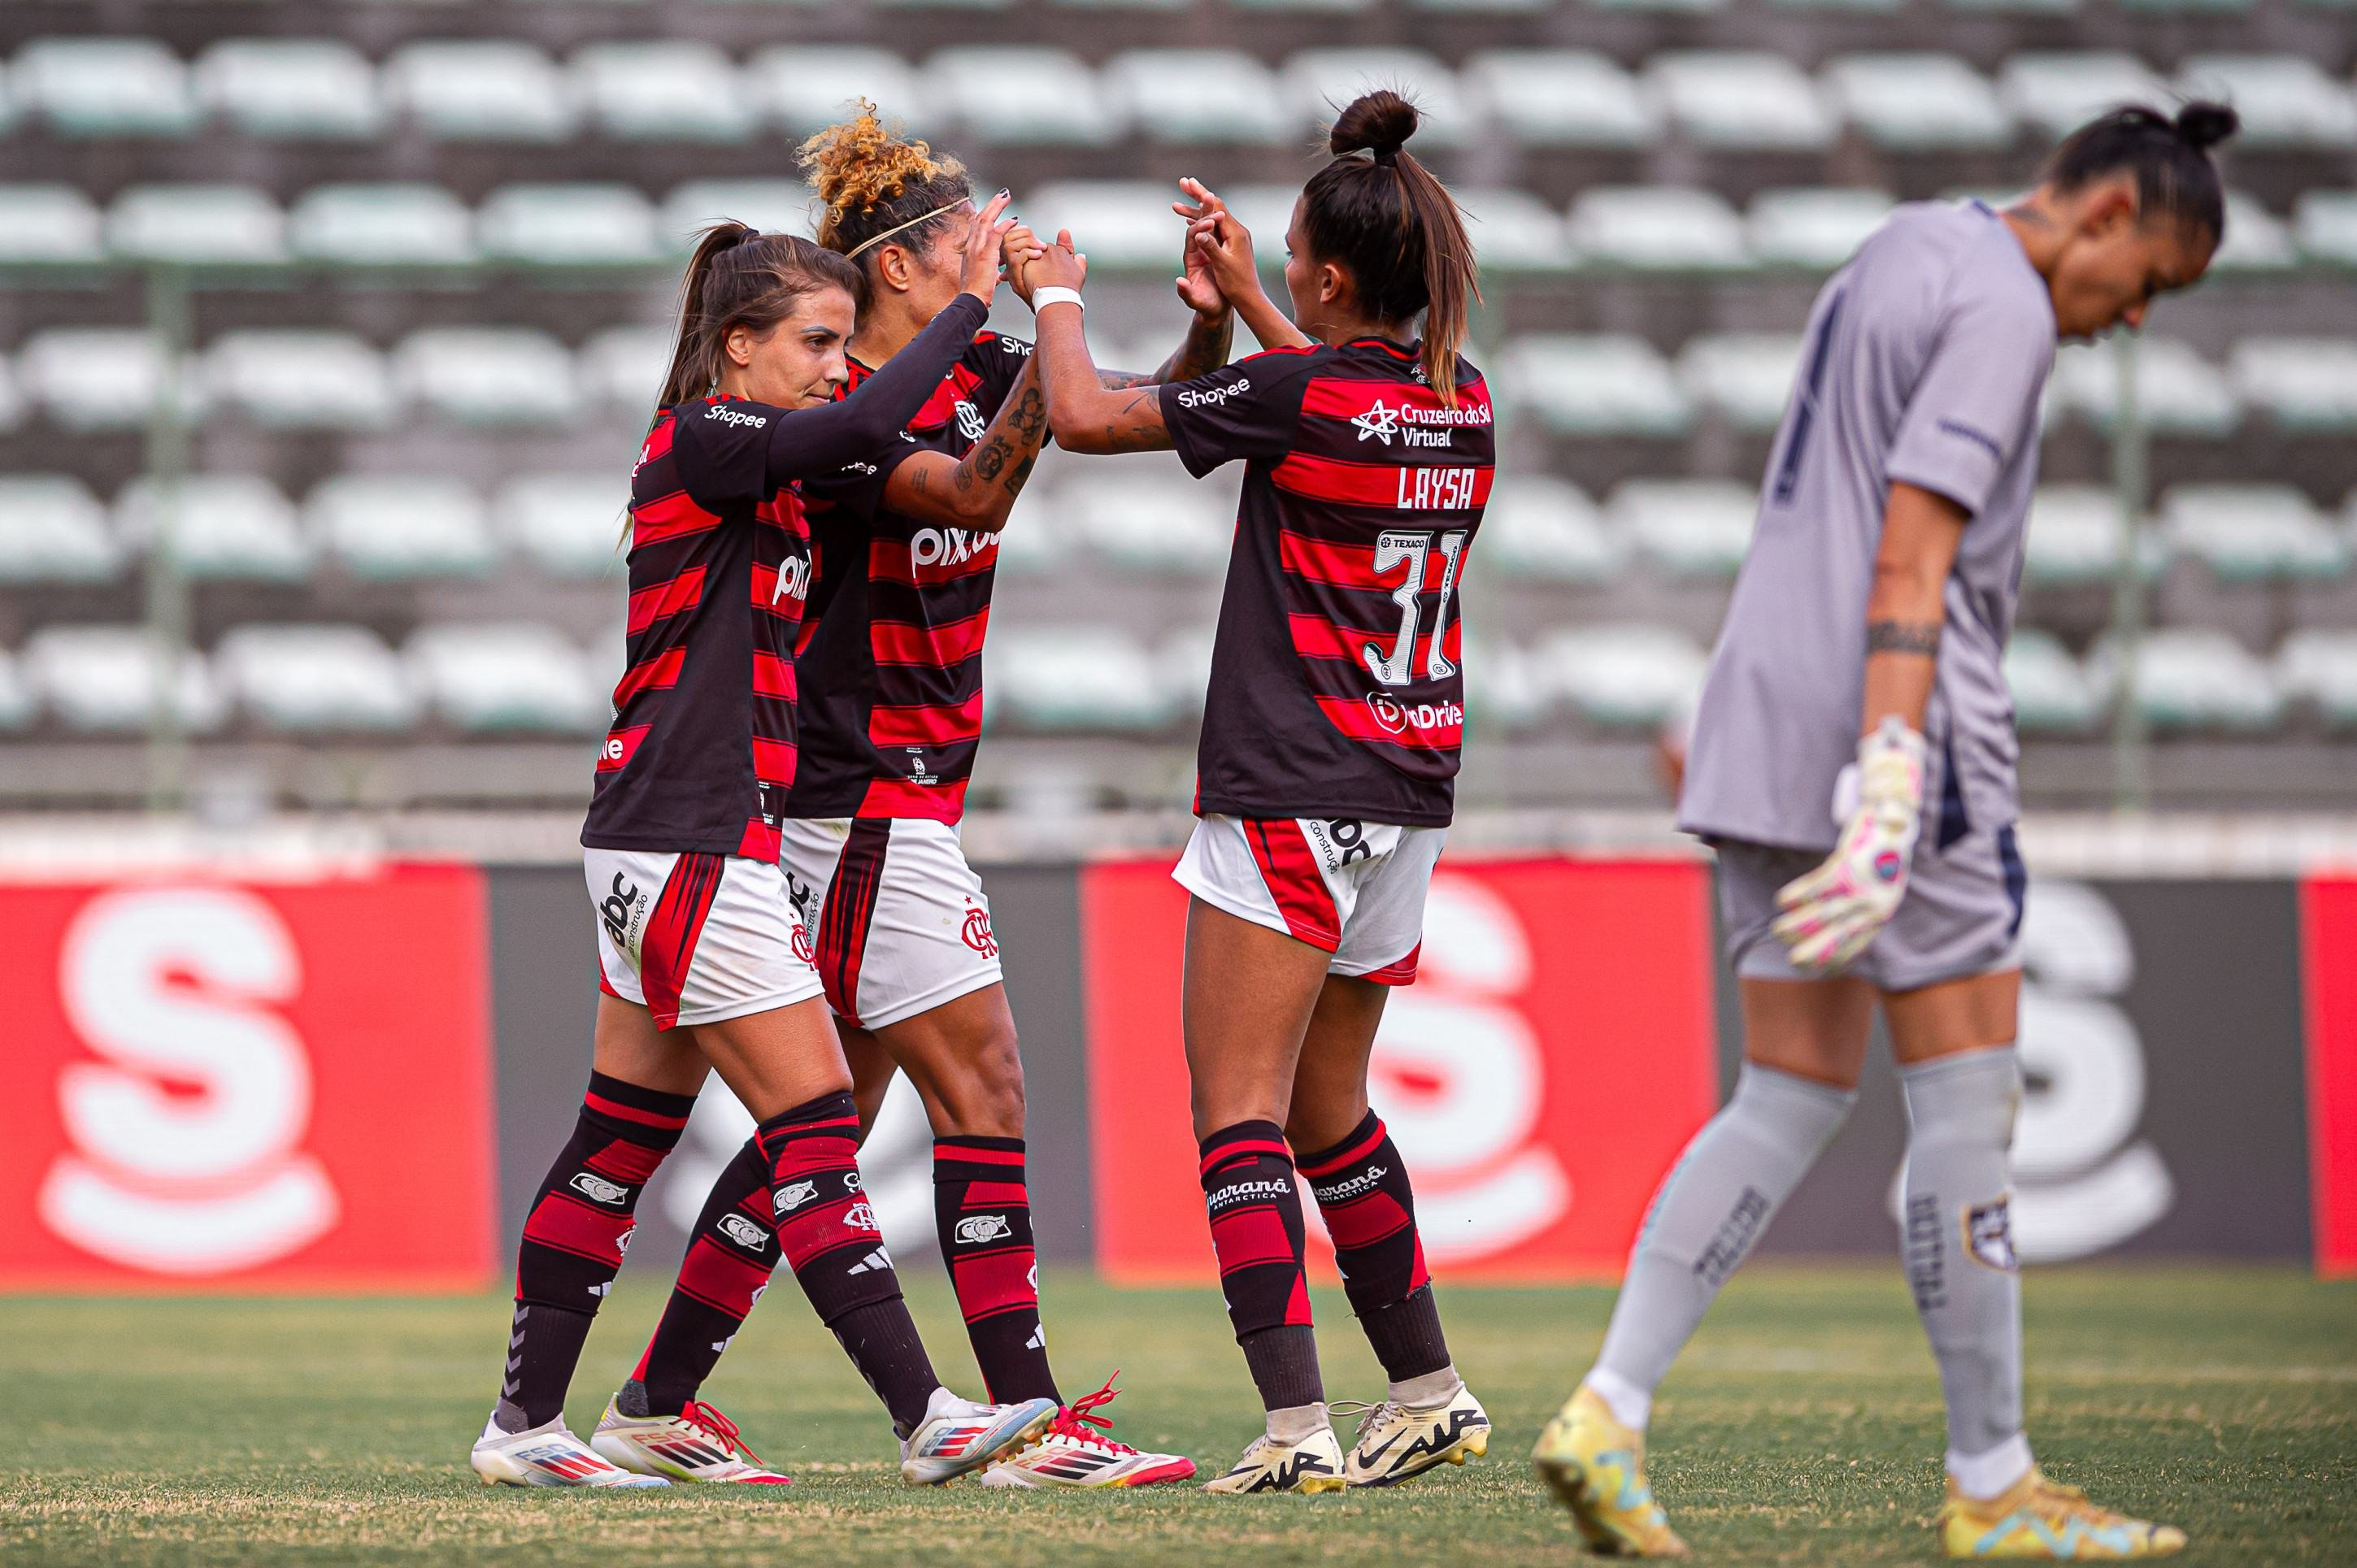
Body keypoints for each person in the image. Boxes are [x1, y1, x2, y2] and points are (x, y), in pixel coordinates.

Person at [1532, 102, 2239, 1559]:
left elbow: (1821, 493)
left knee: (1788, 1088)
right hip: (1891, 724)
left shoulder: (1899, 249)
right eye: (2150, 283)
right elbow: (1912, 544)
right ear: (2105, 214)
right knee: (1970, 1100)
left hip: (1758, 708)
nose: (2130, 320)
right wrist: (1898, 763)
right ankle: (1994, 1484)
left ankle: (1607, 1405)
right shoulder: (2008, 309)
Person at [611, 102, 1217, 1490]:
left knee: (829, 1114)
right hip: (858, 789)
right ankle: (1033, 1424)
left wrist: (1206, 326)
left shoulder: (976, 357)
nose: (992, 246)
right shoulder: (837, 411)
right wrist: (1037, 319)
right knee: (983, 1083)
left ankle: (658, 1393)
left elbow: (1109, 412)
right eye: (970, 232)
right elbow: (972, 494)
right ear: (903, 263)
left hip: (904, 792)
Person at [469, 201, 1067, 1491]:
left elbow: (928, 465)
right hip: (692, 837)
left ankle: (525, 1425)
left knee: (623, 1134)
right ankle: (926, 1415)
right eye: (812, 340)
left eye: (847, 340)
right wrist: (970, 303)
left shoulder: (777, 462)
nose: (835, 364)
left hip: (667, 838)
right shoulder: (706, 434)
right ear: (735, 349)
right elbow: (859, 427)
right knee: (814, 1123)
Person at [1020, 89, 1494, 1494]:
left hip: (1291, 787)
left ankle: (1296, 1432)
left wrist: (1052, 296)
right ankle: (1427, 1388)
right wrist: (1241, 296)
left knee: (1237, 1108)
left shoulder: (1306, 396)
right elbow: (1326, 400)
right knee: (1328, 1110)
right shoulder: (1458, 402)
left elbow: (1084, 412)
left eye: (1289, 254)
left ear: (1332, 276)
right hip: (1402, 792)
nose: (1282, 265)